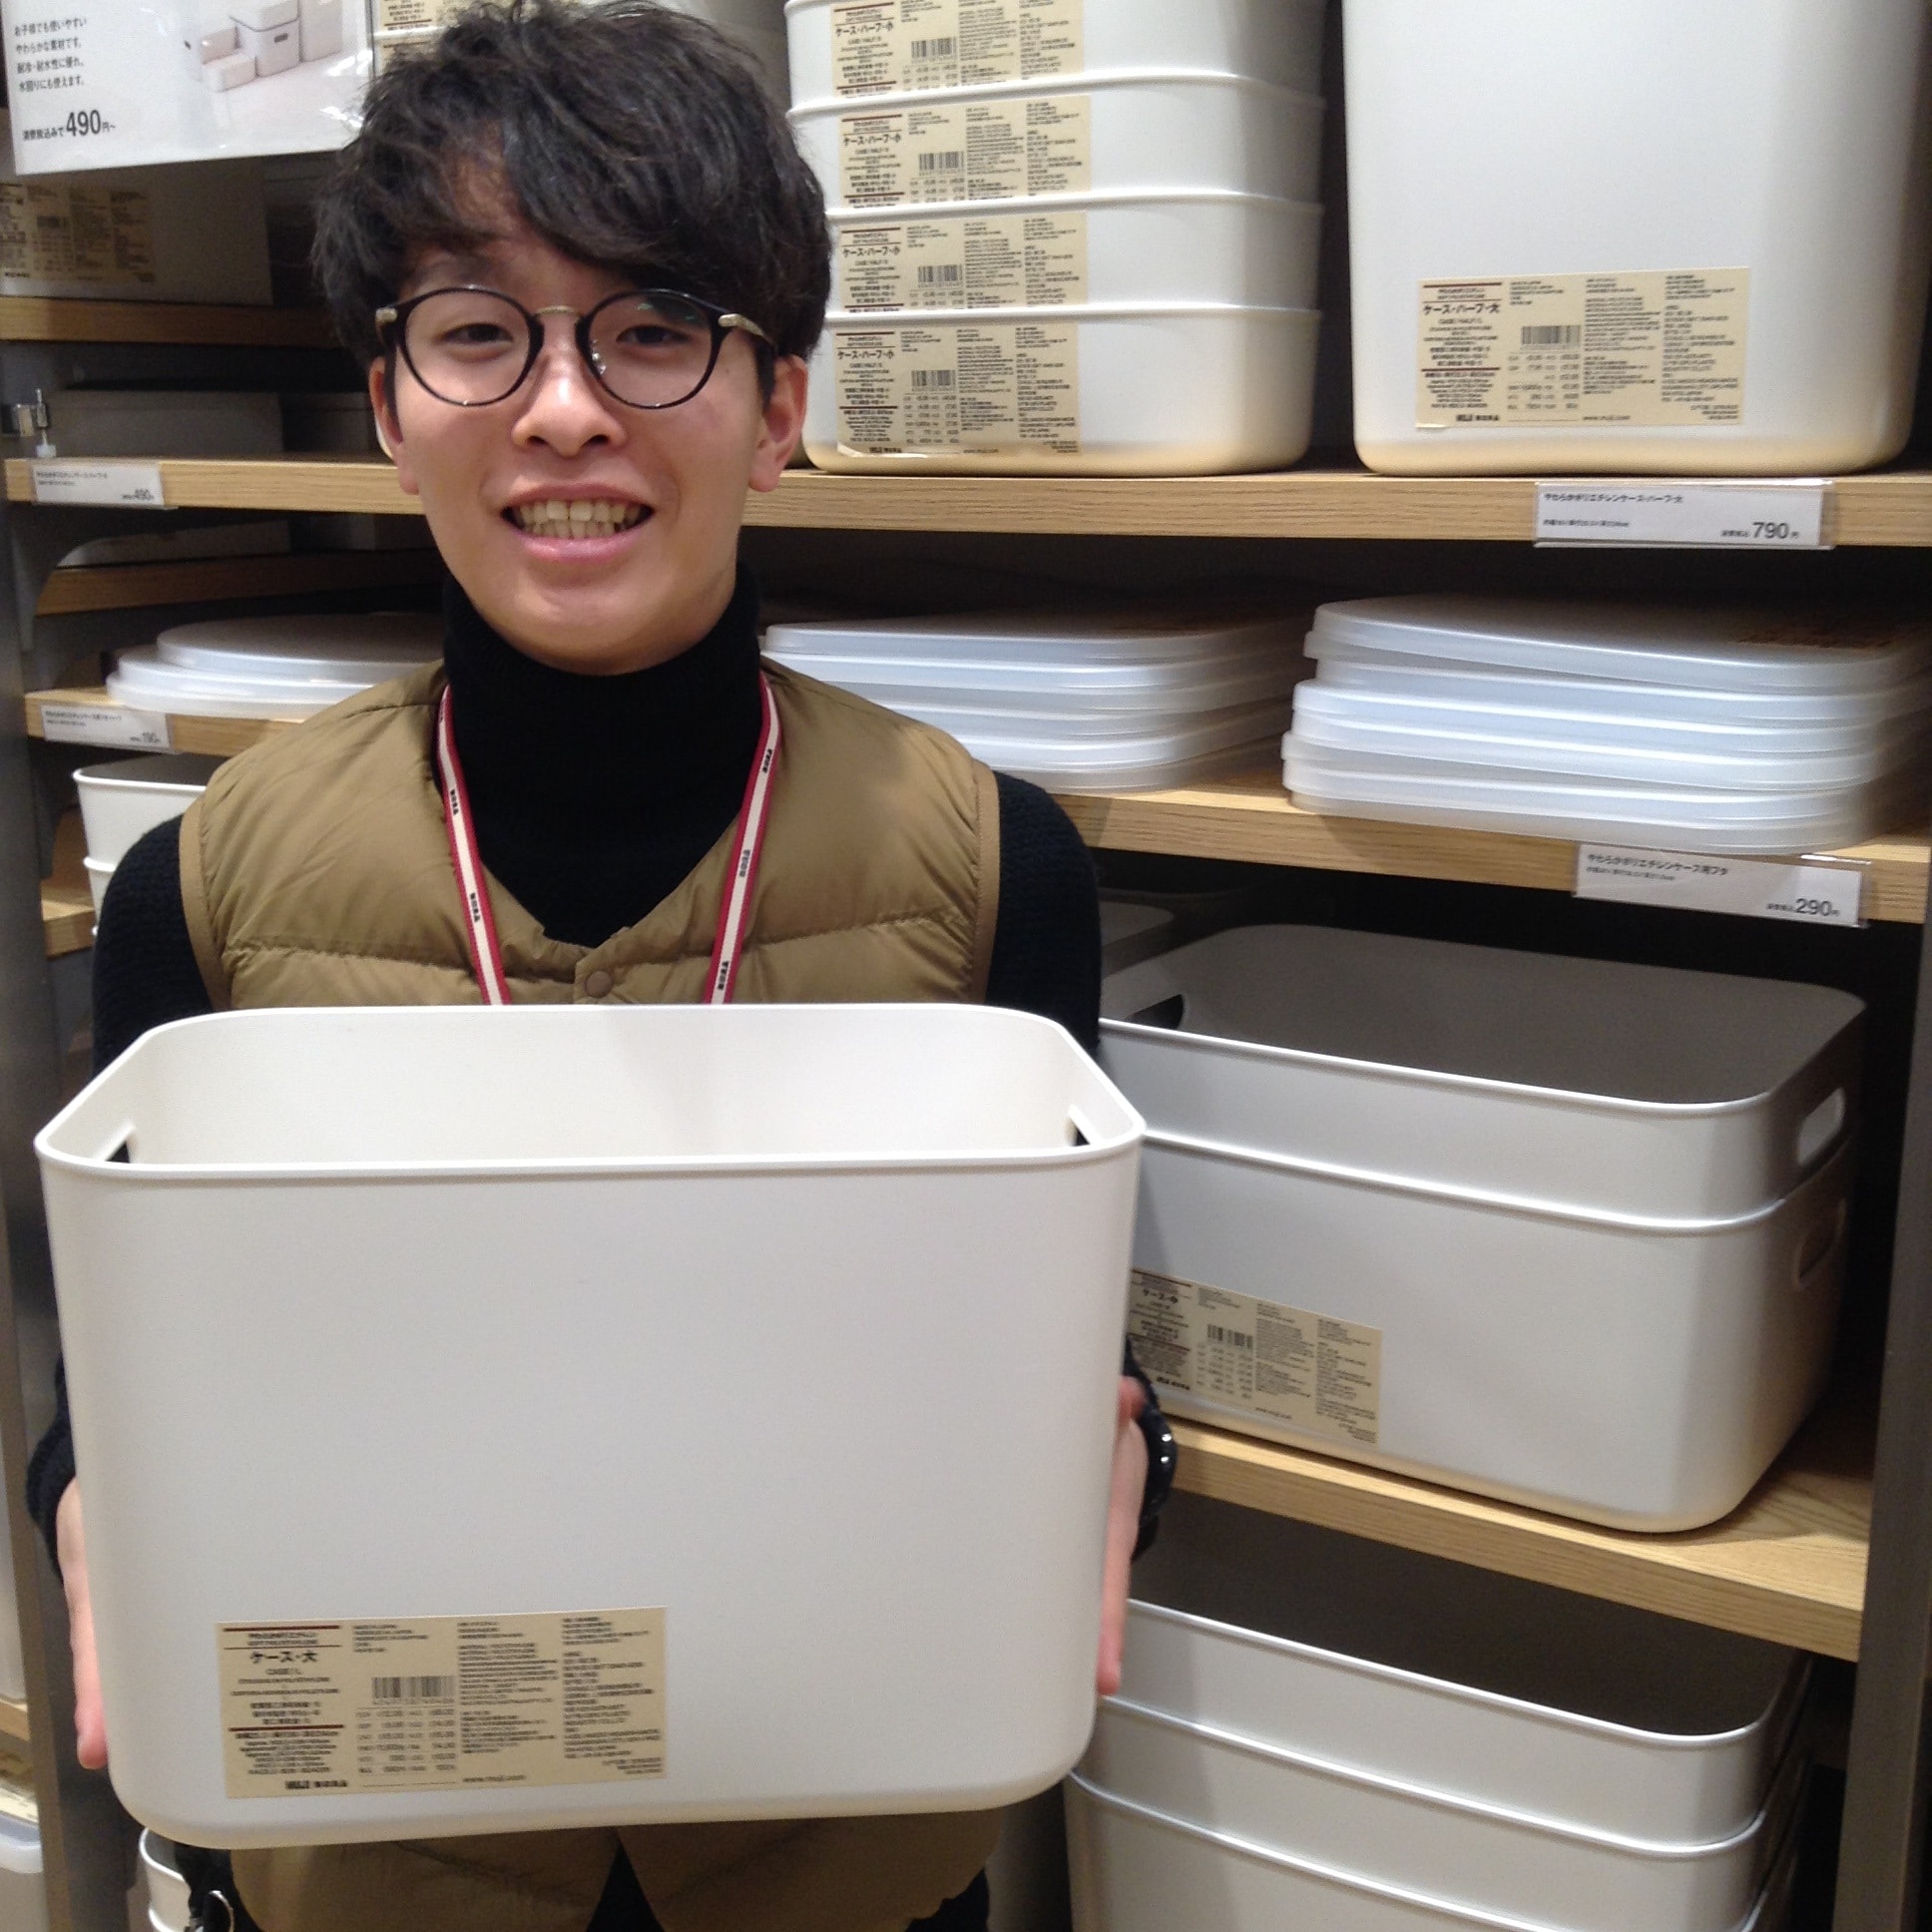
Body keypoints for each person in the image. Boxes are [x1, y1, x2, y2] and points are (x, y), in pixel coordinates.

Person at [25, 5, 1176, 1929]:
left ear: (779, 406)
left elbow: (1061, 1355)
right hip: (388, 1842)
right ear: (391, 407)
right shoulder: (204, 894)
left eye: (654, 329)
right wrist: (82, 1489)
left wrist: (1130, 1439)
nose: (564, 410)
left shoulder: (989, 869)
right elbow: (131, 1385)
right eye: (479, 333)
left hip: (835, 1830)